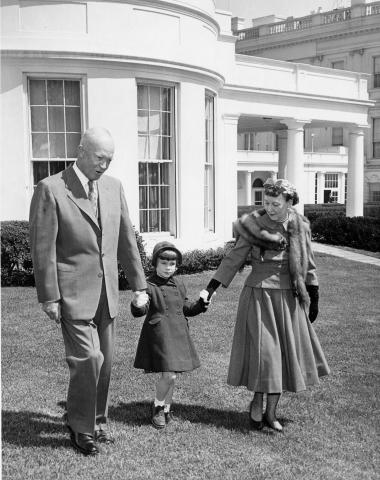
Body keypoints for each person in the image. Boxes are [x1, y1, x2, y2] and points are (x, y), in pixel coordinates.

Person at [29, 127, 148, 455]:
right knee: (88, 359)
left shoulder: (113, 187)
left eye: (109, 159)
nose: (105, 165)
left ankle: (98, 420)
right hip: (72, 294)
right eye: (99, 157)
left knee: (105, 362)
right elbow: (43, 249)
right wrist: (49, 295)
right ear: (81, 150)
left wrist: (139, 285)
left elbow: (126, 241)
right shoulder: (51, 189)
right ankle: (81, 428)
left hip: (106, 294)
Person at [205, 178, 330, 432]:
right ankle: (257, 401)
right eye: (266, 203)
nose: (270, 208)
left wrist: (313, 294)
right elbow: (234, 258)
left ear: (289, 203)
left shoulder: (299, 226)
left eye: (275, 204)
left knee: (283, 355)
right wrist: (209, 289)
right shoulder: (254, 226)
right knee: (267, 354)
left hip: (289, 298)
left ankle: (271, 413)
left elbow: (308, 262)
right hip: (259, 295)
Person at [131, 241, 210, 430]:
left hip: (179, 332)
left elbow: (186, 308)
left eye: (172, 264)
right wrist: (136, 303)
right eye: (164, 263)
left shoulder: (179, 283)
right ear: (155, 264)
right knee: (170, 375)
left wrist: (201, 304)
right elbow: (140, 310)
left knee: (172, 374)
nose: (168, 268)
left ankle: (167, 408)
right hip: (160, 334)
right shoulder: (148, 285)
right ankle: (157, 407)